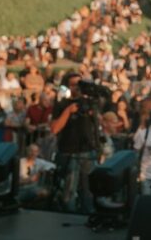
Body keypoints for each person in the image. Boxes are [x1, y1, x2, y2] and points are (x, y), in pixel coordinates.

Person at [50, 72, 100, 213]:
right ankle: (69, 216)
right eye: (73, 84)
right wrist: (68, 111)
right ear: (67, 86)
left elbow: (97, 124)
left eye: (79, 84)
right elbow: (54, 129)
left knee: (88, 191)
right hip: (69, 152)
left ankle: (87, 215)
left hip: (87, 151)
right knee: (69, 191)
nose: (77, 87)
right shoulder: (61, 104)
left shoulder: (89, 103)